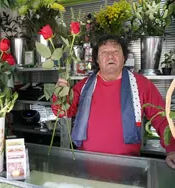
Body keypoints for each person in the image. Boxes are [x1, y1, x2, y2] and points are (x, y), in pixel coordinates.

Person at [52, 35, 175, 169]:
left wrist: (172, 149)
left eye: (116, 51)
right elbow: (62, 111)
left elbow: (163, 119)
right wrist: (59, 93)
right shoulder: (83, 87)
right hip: (86, 164)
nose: (110, 56)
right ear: (97, 60)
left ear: (124, 58)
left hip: (128, 166)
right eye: (104, 52)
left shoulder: (142, 85)